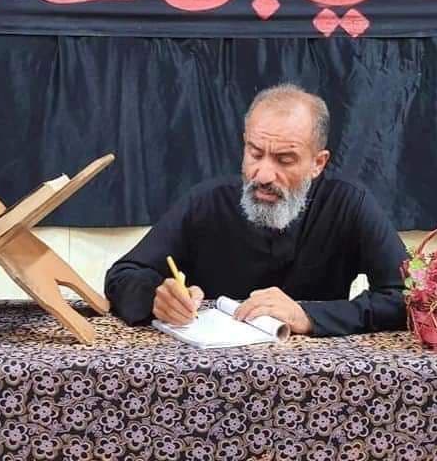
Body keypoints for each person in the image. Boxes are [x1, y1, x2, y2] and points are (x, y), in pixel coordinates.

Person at [104, 83, 408, 337]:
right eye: (255, 153)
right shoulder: (207, 202)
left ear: (318, 163)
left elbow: (408, 297)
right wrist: (157, 297)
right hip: (211, 371)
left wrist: (310, 316)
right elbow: (122, 276)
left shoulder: (348, 204)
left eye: (284, 160)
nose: (263, 175)